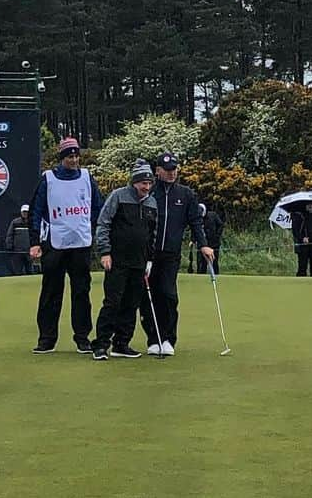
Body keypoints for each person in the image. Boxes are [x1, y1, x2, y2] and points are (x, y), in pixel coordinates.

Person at [27, 137, 105, 354]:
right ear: (62, 158)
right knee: (51, 292)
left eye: (76, 156)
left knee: (82, 292)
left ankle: (82, 337)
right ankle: (47, 339)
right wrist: (35, 242)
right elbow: (36, 211)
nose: (74, 160)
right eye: (69, 156)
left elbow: (98, 207)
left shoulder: (87, 178)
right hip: (55, 243)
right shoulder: (48, 179)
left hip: (81, 243)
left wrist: (98, 232)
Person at [143, 152, 213, 355]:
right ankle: (153, 339)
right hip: (148, 254)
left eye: (174, 169)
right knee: (149, 296)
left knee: (168, 295)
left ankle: (168, 339)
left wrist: (203, 245)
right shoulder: (149, 192)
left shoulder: (186, 194)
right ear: (157, 171)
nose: (171, 173)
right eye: (167, 170)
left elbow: (195, 222)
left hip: (171, 253)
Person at [91, 160, 158, 360]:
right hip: (117, 260)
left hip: (139, 262)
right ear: (134, 182)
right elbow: (103, 224)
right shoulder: (118, 197)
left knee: (131, 304)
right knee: (112, 302)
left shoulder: (151, 203)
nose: (146, 187)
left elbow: (152, 234)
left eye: (149, 183)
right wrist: (105, 252)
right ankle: (101, 344)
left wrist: (150, 260)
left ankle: (122, 344)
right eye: (142, 183)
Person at [197, 203, 225, 274]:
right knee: (201, 263)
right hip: (202, 244)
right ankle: (200, 278)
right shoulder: (197, 218)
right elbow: (196, 229)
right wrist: (193, 240)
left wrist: (217, 236)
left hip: (214, 243)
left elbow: (220, 225)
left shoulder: (213, 215)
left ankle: (216, 276)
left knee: (214, 262)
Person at [5, 204, 34, 275]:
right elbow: (10, 235)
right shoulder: (15, 222)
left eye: (27, 212)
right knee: (17, 271)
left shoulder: (33, 223)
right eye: (24, 212)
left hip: (30, 252)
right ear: (21, 212)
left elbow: (37, 235)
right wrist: (9, 247)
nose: (25, 213)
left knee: (30, 271)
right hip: (17, 252)